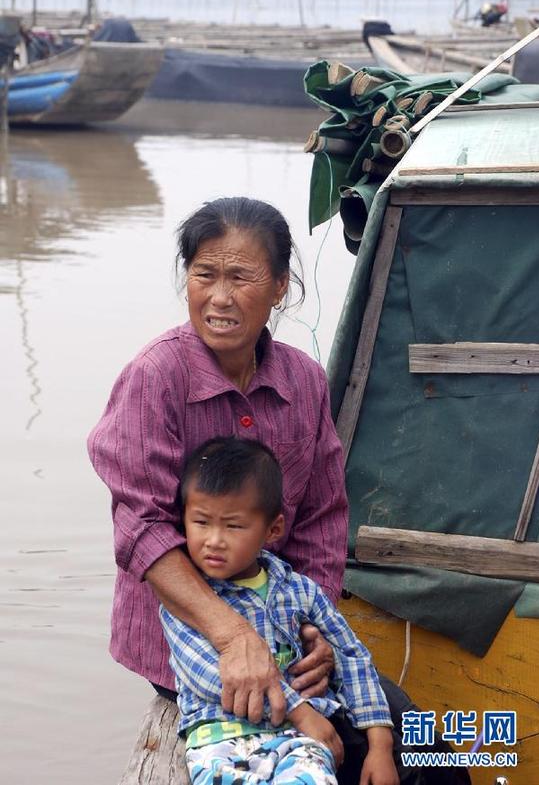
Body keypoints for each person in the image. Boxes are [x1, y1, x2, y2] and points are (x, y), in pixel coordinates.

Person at [88, 196, 348, 718]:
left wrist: (316, 632)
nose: (220, 298)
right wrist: (233, 638)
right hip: (185, 653)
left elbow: (321, 520)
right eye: (204, 274)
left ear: (279, 287)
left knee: (413, 742)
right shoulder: (155, 377)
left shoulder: (305, 382)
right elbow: (143, 528)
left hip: (284, 645)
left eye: (241, 278)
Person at [160, 436, 399, 785]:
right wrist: (298, 710)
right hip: (220, 739)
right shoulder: (185, 600)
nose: (213, 540)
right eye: (201, 523)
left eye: (233, 526)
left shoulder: (299, 591)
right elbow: (210, 674)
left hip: (300, 744)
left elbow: (351, 656)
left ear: (273, 529)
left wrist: (380, 744)